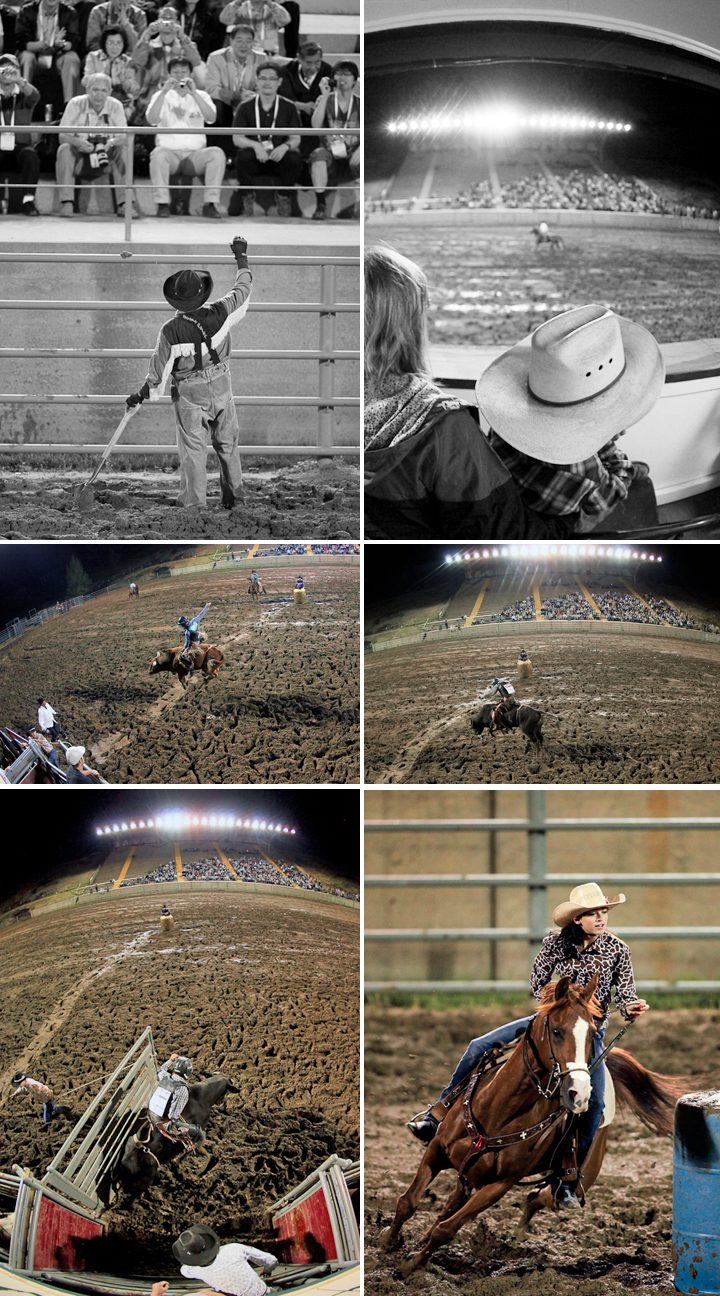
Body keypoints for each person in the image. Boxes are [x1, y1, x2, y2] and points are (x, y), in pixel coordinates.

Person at [407, 882, 650, 1207]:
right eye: (592, 913)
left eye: (603, 911)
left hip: (587, 1031)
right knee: (478, 1047)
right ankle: (437, 1113)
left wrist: (631, 1007)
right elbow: (537, 981)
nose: (600, 918)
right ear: (577, 919)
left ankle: (568, 1178)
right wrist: (557, 1000)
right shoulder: (555, 943)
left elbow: (626, 994)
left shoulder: (618, 950)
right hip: (549, 1022)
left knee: (595, 1106)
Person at [364, 245, 579, 540]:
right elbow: (501, 535)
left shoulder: (335, 406)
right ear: (409, 323)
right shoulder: (446, 426)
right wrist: (574, 520)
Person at [476, 303, 665, 534]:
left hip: (515, 487)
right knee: (620, 480)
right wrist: (618, 459)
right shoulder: (581, 470)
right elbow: (609, 495)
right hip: (554, 517)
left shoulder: (506, 421)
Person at [125, 235, 251, 509]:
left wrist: (140, 394)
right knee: (228, 444)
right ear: (203, 292)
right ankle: (235, 500)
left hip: (190, 393)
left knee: (194, 449)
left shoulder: (170, 331)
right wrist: (241, 256)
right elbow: (243, 290)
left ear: (176, 301)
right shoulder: (221, 312)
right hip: (222, 383)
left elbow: (158, 372)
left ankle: (195, 504)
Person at [145, 54, 226, 218]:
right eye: (175, 72)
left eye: (184, 72)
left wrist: (194, 93)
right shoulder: (160, 95)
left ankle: (210, 204)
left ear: (191, 74)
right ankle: (162, 204)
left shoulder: (202, 95)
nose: (180, 76)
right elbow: (152, 120)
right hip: (170, 155)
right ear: (169, 75)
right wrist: (163, 92)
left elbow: (211, 118)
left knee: (217, 153)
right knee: (158, 154)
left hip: (195, 156)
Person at [231, 60, 302, 217]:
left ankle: (284, 196)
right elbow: (237, 138)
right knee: (243, 156)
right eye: (263, 78)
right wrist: (256, 146)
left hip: (278, 156)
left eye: (272, 79)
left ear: (279, 82)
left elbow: (296, 138)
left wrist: (284, 147)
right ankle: (246, 197)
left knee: (294, 158)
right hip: (256, 157)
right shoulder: (245, 106)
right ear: (256, 81)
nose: (267, 82)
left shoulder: (289, 107)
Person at [56, 73, 129, 218]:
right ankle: (67, 202)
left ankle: (125, 204)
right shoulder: (75, 104)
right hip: (81, 154)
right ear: (87, 89)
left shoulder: (116, 105)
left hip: (106, 154)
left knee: (123, 150)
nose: (99, 95)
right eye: (95, 90)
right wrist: (79, 143)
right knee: (64, 149)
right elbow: (62, 136)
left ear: (110, 92)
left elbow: (124, 136)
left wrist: (111, 143)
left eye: (104, 90)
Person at [309, 60, 359, 221]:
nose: (342, 78)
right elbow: (315, 125)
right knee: (318, 155)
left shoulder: (360, 103)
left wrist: (361, 149)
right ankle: (320, 204)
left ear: (355, 80)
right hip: (330, 155)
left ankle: (358, 205)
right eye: (338, 74)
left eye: (347, 74)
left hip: (351, 156)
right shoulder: (325, 100)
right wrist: (324, 96)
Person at [168, 1223, 277, 1296]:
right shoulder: (234, 1248)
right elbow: (271, 1260)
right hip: (264, 1293)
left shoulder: (192, 1270)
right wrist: (267, 1270)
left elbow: (184, 1270)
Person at [131, 6, 202, 115]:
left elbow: (196, 61)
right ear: (157, 22)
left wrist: (182, 36)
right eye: (164, 18)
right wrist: (147, 34)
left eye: (171, 18)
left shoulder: (186, 45)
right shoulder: (148, 45)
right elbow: (137, 61)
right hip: (151, 98)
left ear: (178, 23)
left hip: (180, 96)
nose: (167, 22)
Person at [16, 0, 81, 105]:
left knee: (72, 58)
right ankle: (23, 103)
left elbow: (74, 42)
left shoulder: (69, 13)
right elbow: (20, 41)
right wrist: (38, 45)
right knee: (27, 57)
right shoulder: (27, 10)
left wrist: (61, 44)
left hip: (58, 56)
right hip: (34, 54)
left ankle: (70, 106)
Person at [205, 23, 264, 137]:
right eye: (239, 40)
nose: (244, 45)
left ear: (253, 43)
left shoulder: (261, 58)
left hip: (250, 101)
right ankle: (219, 142)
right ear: (231, 41)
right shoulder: (216, 58)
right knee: (216, 105)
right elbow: (211, 89)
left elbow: (263, 85)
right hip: (225, 102)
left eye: (248, 41)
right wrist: (237, 96)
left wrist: (254, 97)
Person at [0, 54, 41, 216]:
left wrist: (19, 80)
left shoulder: (24, 94)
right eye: (2, 69)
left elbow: (35, 96)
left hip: (20, 146)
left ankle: (28, 201)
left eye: (11, 69)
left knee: (31, 155)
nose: (6, 73)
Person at [84, 27, 141, 112]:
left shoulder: (128, 61)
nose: (114, 47)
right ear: (104, 43)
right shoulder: (93, 57)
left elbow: (134, 89)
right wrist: (102, 76)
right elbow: (86, 81)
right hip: (97, 101)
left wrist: (123, 80)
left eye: (118, 43)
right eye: (110, 43)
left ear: (124, 44)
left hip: (122, 104)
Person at [218, 0, 289, 55]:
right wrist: (238, 2)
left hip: (269, 54)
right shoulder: (239, 8)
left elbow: (285, 21)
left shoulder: (273, 9)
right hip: (245, 54)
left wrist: (270, 3)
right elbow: (224, 20)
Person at [177, 601, 211, 666]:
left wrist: (184, 649)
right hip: (201, 637)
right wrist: (206, 606)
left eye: (182, 625)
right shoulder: (194, 620)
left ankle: (190, 666)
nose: (182, 626)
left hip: (195, 644)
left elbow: (187, 644)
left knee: (182, 657)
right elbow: (201, 614)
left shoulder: (187, 632)